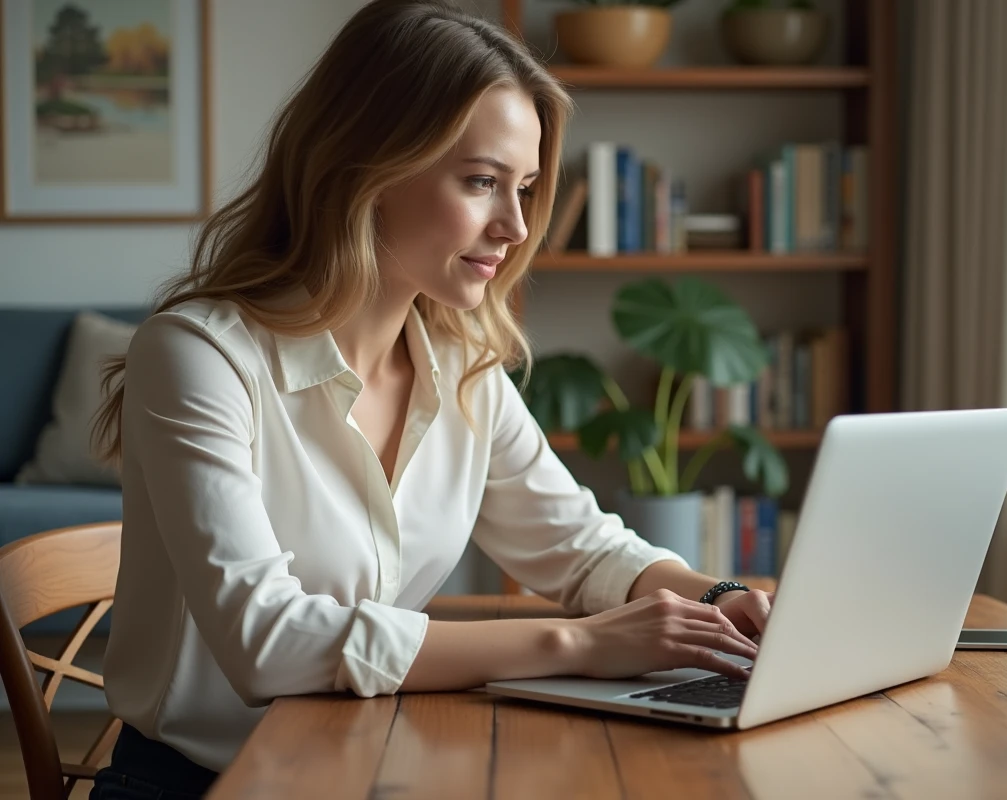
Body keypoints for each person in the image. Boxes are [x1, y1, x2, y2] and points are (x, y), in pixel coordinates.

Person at [88, 2, 774, 797]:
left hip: (371, 761)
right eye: (482, 182)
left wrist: (722, 600)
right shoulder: (199, 356)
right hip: (204, 783)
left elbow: (583, 550)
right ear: (367, 166)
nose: (515, 225)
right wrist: (575, 645)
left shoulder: (462, 365)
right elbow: (266, 640)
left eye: (523, 187)